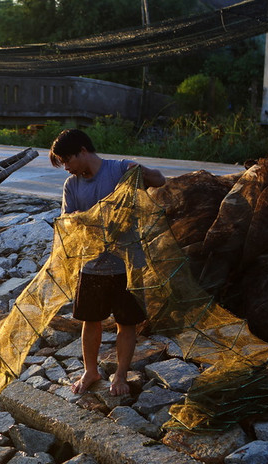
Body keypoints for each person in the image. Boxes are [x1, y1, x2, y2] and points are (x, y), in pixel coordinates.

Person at [49, 129, 166, 397]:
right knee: (90, 320)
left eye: (67, 160)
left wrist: (142, 171)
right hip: (91, 264)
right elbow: (67, 222)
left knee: (127, 322)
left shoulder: (121, 169)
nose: (66, 168)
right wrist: (82, 218)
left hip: (127, 263)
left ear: (82, 151)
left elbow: (159, 180)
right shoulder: (72, 185)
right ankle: (91, 370)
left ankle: (121, 375)